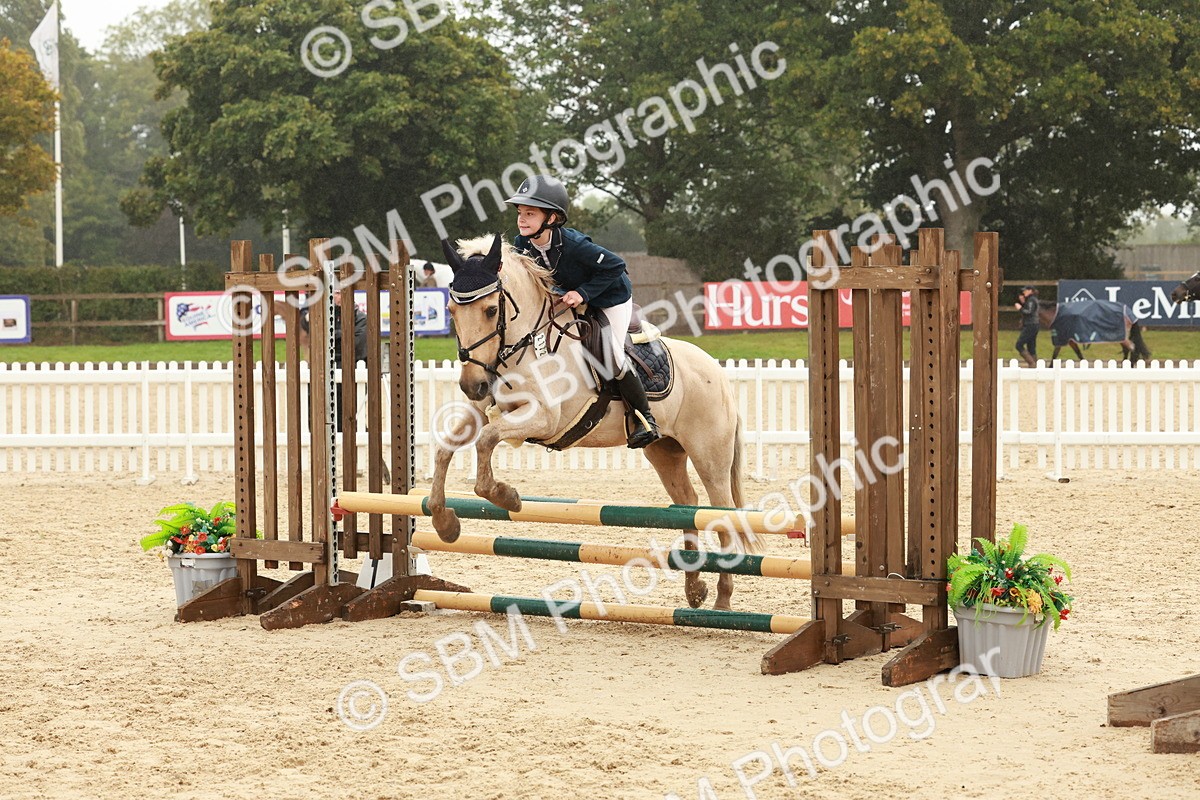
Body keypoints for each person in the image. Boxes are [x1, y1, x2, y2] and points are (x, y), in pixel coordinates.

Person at [504, 174, 660, 448]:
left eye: (530, 213)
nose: (522, 219)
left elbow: (616, 266)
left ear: (551, 219)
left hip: (611, 296)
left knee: (611, 352)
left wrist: (584, 293)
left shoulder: (575, 245)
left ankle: (644, 419)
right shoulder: (522, 244)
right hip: (570, 298)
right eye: (520, 212)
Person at [1015, 286, 1040, 367]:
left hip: (1030, 325)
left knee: (1019, 345)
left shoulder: (1031, 300)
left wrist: (1020, 308)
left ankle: (1032, 363)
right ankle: (1034, 365)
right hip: (1034, 324)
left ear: (1030, 291)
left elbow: (1029, 312)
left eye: (1025, 291)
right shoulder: (1032, 300)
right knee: (1031, 346)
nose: (1024, 292)